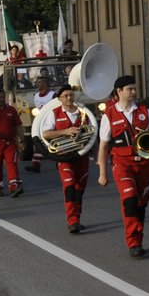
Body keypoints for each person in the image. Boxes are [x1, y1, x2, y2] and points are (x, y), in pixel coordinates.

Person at [97, 74, 149, 257]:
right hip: (122, 164)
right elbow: (103, 145)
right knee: (130, 198)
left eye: (134, 88)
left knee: (140, 204)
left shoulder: (144, 110)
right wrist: (103, 173)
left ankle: (138, 239)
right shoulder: (109, 114)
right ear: (119, 91)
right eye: (129, 89)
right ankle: (132, 242)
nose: (133, 92)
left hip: (145, 165)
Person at [37, 85, 95, 233]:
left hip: (81, 155)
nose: (69, 98)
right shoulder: (54, 113)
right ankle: (72, 221)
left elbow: (92, 132)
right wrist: (65, 131)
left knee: (80, 189)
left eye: (71, 95)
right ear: (60, 99)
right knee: (69, 187)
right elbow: (46, 134)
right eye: (66, 96)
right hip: (63, 156)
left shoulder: (84, 113)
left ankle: (77, 216)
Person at [26, 76, 56, 172]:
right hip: (41, 123)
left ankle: (61, 162)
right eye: (38, 83)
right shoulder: (36, 96)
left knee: (56, 142)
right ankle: (36, 164)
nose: (39, 84)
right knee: (38, 142)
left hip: (52, 122)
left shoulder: (52, 95)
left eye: (42, 82)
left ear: (46, 84)